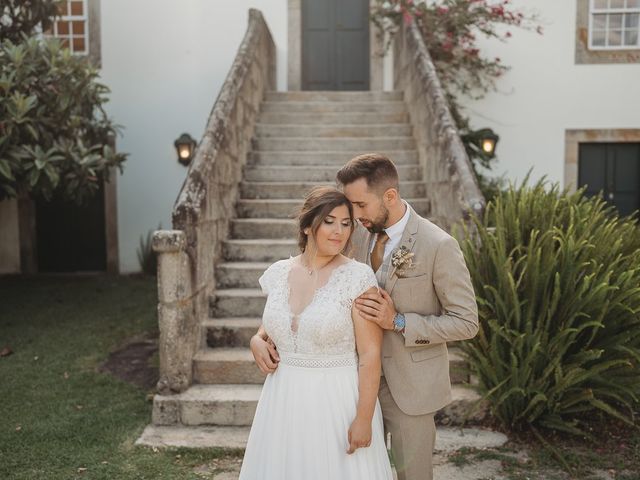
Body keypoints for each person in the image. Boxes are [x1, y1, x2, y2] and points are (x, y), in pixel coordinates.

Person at [336, 152, 480, 480]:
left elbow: (467, 321)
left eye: (360, 205)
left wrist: (398, 322)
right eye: (351, 205)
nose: (353, 215)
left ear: (390, 196)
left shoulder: (438, 245)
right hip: (355, 385)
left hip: (410, 390)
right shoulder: (356, 234)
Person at [240, 186, 393, 480]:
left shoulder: (357, 277)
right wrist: (255, 340)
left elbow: (371, 354)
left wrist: (364, 418)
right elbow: (273, 326)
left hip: (336, 401)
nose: (339, 231)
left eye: (346, 223)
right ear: (309, 225)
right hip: (282, 399)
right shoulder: (279, 272)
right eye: (329, 221)